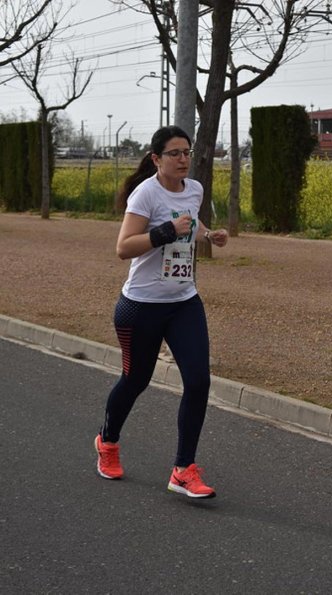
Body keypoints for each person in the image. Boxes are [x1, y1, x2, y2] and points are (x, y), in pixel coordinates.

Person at [95, 125, 228, 499]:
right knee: (136, 381)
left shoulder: (195, 190)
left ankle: (183, 470)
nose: (184, 158)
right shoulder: (145, 194)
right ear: (156, 159)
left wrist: (207, 234)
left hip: (184, 301)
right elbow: (124, 248)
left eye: (187, 152)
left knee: (199, 381)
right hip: (141, 306)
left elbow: (191, 220)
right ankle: (107, 442)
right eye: (175, 153)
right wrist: (165, 232)